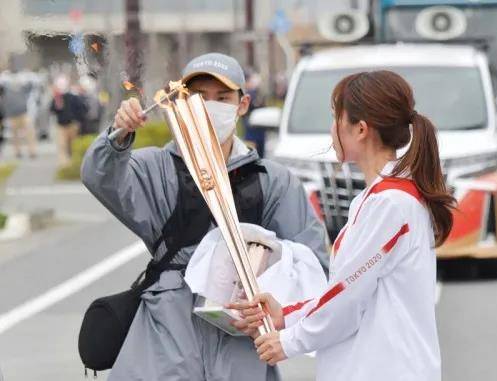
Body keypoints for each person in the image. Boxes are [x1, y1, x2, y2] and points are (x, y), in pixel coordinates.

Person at [81, 52, 328, 381]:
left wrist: (271, 293)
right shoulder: (158, 167)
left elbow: (311, 263)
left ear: (242, 105)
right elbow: (102, 178)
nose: (210, 107)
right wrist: (118, 135)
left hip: (241, 346)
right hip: (166, 338)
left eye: (223, 98)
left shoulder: (271, 180)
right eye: (199, 97)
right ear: (180, 102)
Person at [230, 70, 456, 381]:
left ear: (360, 129)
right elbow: (347, 290)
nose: (332, 128)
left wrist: (290, 341)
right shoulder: (377, 198)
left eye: (337, 117)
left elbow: (347, 298)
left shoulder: (391, 204)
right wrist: (287, 314)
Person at [50, 74, 87, 166]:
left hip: (72, 125)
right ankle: (65, 165)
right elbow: (52, 110)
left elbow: (81, 109)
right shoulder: (57, 98)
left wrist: (78, 120)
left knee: (73, 145)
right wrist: (57, 105)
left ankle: (74, 163)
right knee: (62, 145)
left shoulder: (73, 97)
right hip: (61, 125)